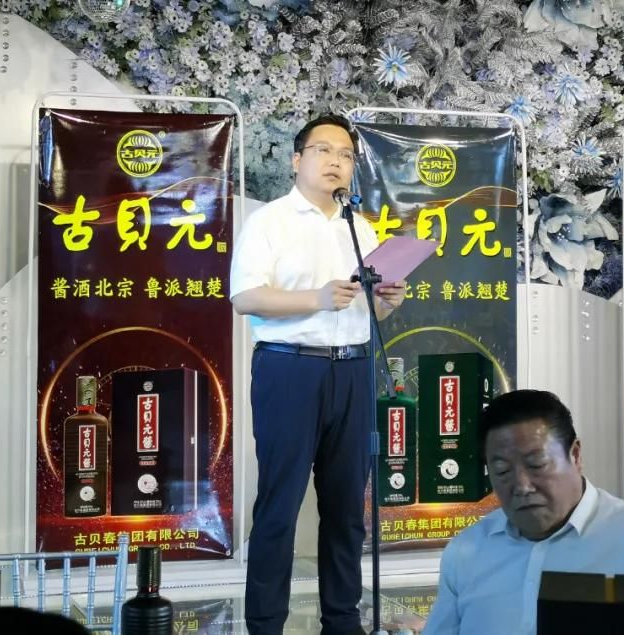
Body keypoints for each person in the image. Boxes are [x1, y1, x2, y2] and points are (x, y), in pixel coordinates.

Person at [229, 113, 406, 635]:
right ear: (297, 159)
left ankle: (343, 621)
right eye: (324, 151)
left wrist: (388, 301)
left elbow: (364, 311)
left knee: (347, 507)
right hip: (290, 369)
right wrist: (318, 298)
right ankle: (265, 624)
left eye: (346, 155)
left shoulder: (359, 227)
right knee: (279, 506)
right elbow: (245, 297)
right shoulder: (270, 221)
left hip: (353, 370)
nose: (336, 162)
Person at [424, 389, 624, 635]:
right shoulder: (466, 552)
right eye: (502, 471)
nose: (522, 486)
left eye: (537, 465)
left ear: (575, 455)